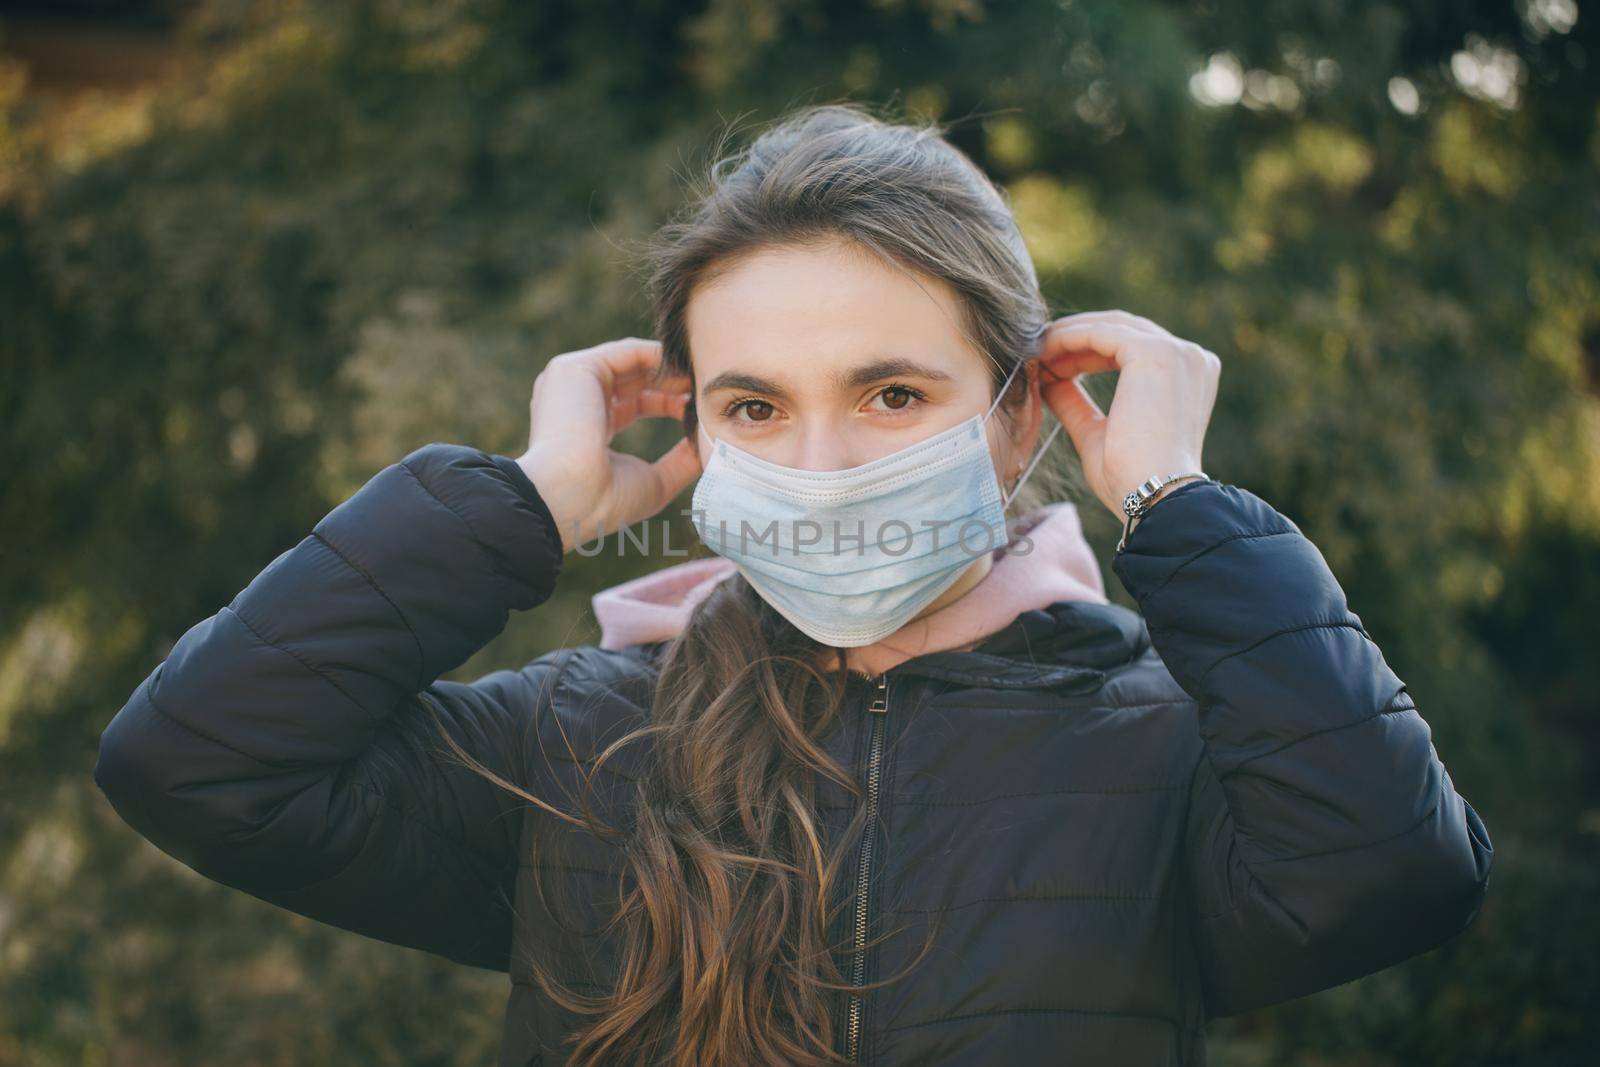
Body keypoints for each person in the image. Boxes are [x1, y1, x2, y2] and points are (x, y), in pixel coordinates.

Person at [93, 103, 1493, 1067]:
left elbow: (1389, 873)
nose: (820, 461)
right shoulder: (575, 744)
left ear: (1020, 417)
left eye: (891, 391)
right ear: (693, 428)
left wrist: (1177, 506)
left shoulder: (1171, 750)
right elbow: (199, 765)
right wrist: (516, 504)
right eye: (756, 407)